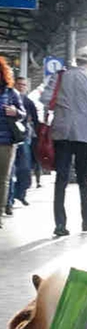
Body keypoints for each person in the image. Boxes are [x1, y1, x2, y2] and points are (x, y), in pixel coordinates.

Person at [39, 49, 87, 237]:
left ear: (76, 61)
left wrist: (63, 102)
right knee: (83, 179)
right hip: (85, 137)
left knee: (61, 179)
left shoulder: (60, 77)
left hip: (62, 133)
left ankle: (60, 224)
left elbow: (45, 99)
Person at [0, 58, 26, 226]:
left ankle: (0, 212)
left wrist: (15, 111)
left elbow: (23, 114)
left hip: (6, 142)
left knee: (3, 179)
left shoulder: (10, 93)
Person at [7, 75, 38, 213]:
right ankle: (10, 200)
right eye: (18, 84)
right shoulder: (9, 98)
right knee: (10, 170)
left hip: (24, 137)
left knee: (25, 169)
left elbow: (35, 120)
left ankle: (21, 193)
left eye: (23, 85)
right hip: (10, 138)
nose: (21, 87)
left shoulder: (29, 102)